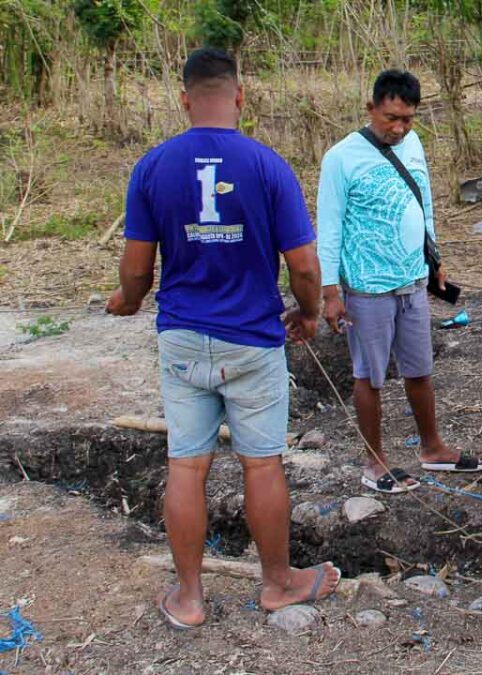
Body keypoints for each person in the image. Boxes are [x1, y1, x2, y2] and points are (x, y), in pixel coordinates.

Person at [106, 48, 339, 629]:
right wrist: (307, 314)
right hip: (252, 339)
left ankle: (188, 598)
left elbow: (137, 270)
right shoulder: (268, 165)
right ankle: (278, 584)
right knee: (262, 465)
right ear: (240, 96)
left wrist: (128, 302)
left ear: (184, 99)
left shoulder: (153, 167)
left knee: (187, 465)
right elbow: (305, 268)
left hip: (183, 337)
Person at [317, 69, 482, 494]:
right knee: (368, 376)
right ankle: (373, 462)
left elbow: (423, 201)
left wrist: (434, 259)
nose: (398, 128)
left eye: (407, 119)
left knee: (419, 369)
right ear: (370, 108)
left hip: (412, 279)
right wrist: (330, 291)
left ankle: (432, 448)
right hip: (366, 286)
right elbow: (330, 226)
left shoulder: (412, 144)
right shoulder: (341, 158)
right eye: (390, 118)